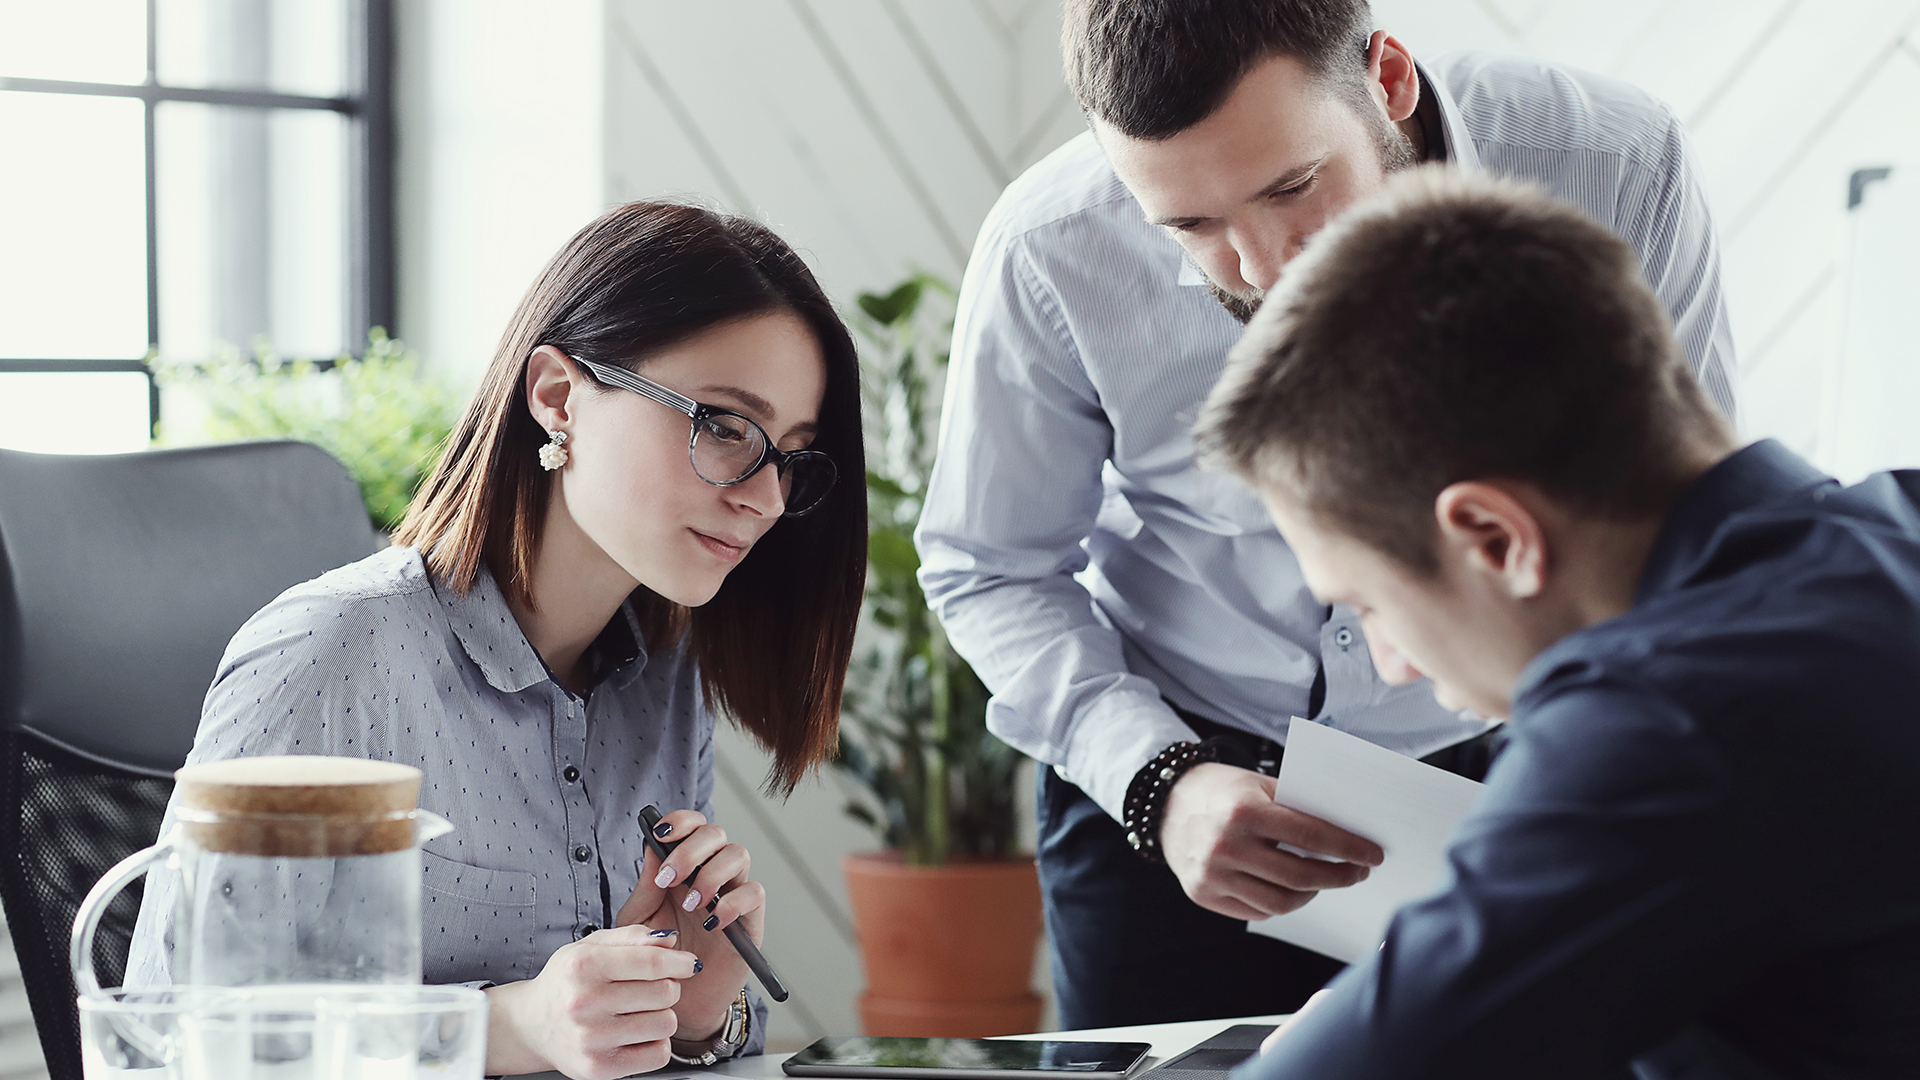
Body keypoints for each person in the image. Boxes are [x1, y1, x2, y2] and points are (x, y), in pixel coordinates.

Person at [914, 0, 1742, 1027]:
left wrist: (1592, 776)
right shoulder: (1049, 245)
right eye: (1191, 226)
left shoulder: (1616, 162)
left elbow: (1681, 519)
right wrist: (1157, 780)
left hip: (1522, 768)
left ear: (1387, 79)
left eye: (1292, 186)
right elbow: (987, 565)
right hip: (1174, 791)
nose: (1264, 270)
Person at [1196, 167, 1920, 1079]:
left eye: (1372, 605)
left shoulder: (1666, 719)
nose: (1394, 664)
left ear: (1494, 538)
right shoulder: (1891, 533)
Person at [127, 201, 868, 1079]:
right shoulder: (332, 656)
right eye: (724, 424)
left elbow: (616, 1036)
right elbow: (166, 1045)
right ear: (558, 398)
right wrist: (507, 1027)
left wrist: (693, 1012)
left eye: (790, 454)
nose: (767, 497)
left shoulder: (665, 678)